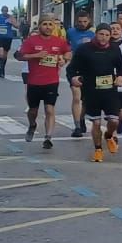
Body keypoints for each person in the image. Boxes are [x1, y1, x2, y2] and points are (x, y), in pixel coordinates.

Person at [69, 23, 122, 162]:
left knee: (114, 120)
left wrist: (121, 76)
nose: (104, 38)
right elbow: (71, 68)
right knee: (96, 123)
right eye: (101, 34)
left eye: (107, 35)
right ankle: (98, 149)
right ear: (96, 34)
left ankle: (108, 136)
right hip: (91, 90)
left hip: (109, 90)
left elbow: (121, 66)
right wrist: (74, 78)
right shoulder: (84, 49)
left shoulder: (114, 48)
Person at [16, 16, 72, 151]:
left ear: (54, 27)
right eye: (45, 24)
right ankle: (32, 125)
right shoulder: (31, 41)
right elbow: (19, 56)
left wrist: (64, 60)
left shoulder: (59, 41)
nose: (48, 27)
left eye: (50, 24)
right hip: (34, 81)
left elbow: (68, 52)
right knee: (33, 110)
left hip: (51, 81)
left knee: (49, 109)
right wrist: (36, 55)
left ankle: (48, 137)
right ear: (40, 26)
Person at [65, 10, 97, 138]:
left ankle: (82, 117)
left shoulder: (93, 33)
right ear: (76, 21)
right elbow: (66, 47)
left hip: (90, 69)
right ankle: (77, 126)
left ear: (89, 21)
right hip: (75, 68)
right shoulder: (70, 32)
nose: (82, 24)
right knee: (76, 97)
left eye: (85, 21)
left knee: (86, 99)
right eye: (80, 22)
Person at [0, 9, 17, 78]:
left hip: (8, 38)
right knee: (1, 53)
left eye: (6, 11)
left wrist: (12, 23)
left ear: (7, 11)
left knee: (5, 55)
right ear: (1, 11)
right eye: (3, 11)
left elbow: (17, 26)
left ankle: (2, 69)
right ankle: (0, 68)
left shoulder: (11, 17)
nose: (5, 12)